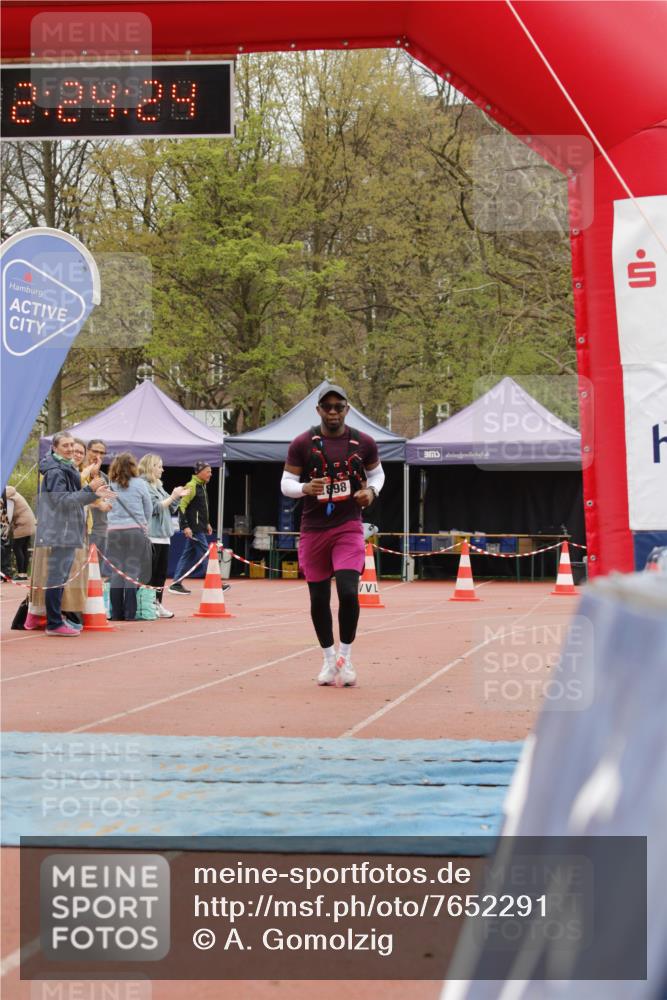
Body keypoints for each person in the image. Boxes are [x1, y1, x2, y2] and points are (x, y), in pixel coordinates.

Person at [282, 384, 385, 687]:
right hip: (313, 529)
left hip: (348, 526)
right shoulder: (302, 443)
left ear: (346, 409)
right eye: (327, 407)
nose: (332, 412)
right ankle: (329, 660)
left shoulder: (363, 442)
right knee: (318, 597)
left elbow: (378, 474)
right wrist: (304, 488)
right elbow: (285, 482)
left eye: (338, 406)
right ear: (318, 411)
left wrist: (371, 490)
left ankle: (346, 656)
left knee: (350, 591)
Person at [27, 431, 112, 636]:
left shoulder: (65, 468)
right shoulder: (57, 471)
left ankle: (57, 618)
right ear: (55, 448)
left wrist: (92, 494)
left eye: (73, 446)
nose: (71, 449)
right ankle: (54, 623)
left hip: (67, 529)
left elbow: (73, 499)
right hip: (61, 531)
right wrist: (89, 490)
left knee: (60, 576)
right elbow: (63, 502)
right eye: (65, 445)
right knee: (57, 577)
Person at [138, 453, 190, 618]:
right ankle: (146, 604)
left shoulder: (158, 486)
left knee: (161, 574)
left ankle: (157, 603)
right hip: (151, 535)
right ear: (151, 467)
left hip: (164, 536)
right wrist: (172, 497)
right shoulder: (143, 485)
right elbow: (153, 509)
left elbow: (170, 507)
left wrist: (176, 498)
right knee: (150, 574)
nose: (162, 469)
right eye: (159, 466)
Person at [106, 452, 153, 621]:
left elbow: (107, 507)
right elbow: (148, 507)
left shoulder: (110, 485)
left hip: (113, 532)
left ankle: (116, 613)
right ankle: (130, 613)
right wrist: (143, 524)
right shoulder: (140, 484)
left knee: (116, 573)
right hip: (135, 531)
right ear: (133, 467)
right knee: (132, 571)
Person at [168, 460, 215, 596]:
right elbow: (181, 507)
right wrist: (185, 527)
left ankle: (176, 583)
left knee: (188, 555)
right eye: (208, 472)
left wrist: (206, 523)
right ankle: (214, 582)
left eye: (211, 472)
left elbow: (201, 508)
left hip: (199, 527)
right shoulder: (191, 486)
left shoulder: (202, 486)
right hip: (194, 529)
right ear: (199, 472)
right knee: (206, 553)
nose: (210, 474)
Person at [5, 485, 36, 579]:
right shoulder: (13, 493)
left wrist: (6, 529)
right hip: (30, 523)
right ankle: (24, 574)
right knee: (24, 548)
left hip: (22, 524)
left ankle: (21, 574)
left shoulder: (9, 497)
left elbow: (9, 516)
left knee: (17, 547)